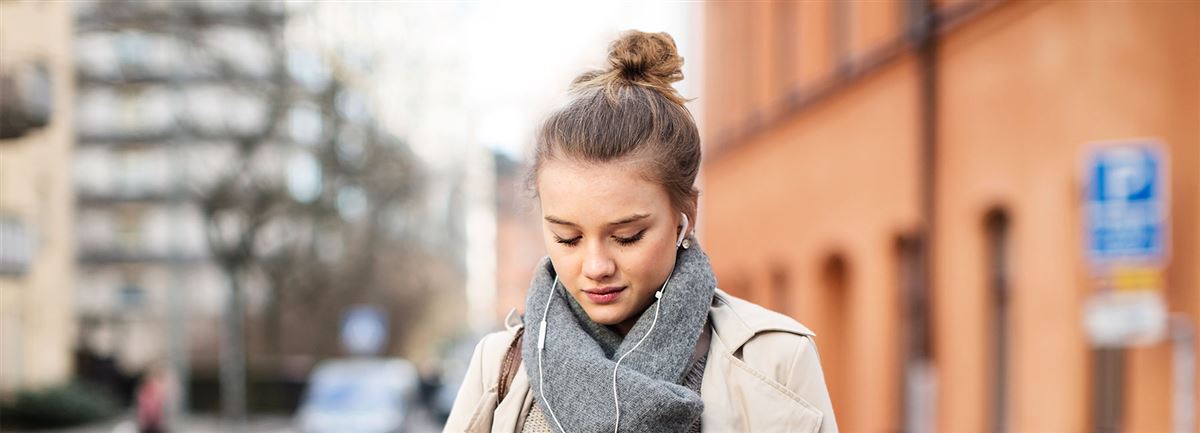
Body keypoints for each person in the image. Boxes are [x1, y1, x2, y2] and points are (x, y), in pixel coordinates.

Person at [445, 30, 838, 433]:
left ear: (686, 216)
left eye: (627, 236)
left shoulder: (777, 360)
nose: (595, 266)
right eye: (568, 238)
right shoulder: (500, 365)